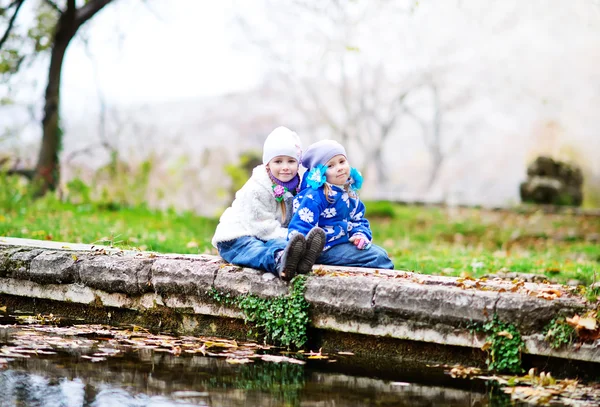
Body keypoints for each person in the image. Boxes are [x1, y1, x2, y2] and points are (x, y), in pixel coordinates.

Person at [211, 126, 326, 281]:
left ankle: (298, 258)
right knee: (254, 250)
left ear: (298, 164)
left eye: (291, 161)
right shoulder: (257, 188)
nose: (285, 167)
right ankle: (280, 261)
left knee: (276, 244)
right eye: (278, 161)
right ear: (267, 164)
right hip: (236, 237)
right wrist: (291, 236)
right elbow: (262, 228)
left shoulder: (297, 188)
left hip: (266, 235)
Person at [288, 139, 394, 269]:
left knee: (380, 254)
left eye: (342, 161)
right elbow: (301, 224)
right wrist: (302, 252)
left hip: (341, 243)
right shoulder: (316, 195)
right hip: (323, 249)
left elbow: (358, 219)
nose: (339, 168)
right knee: (378, 258)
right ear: (320, 172)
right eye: (330, 166)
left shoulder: (349, 193)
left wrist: (359, 235)